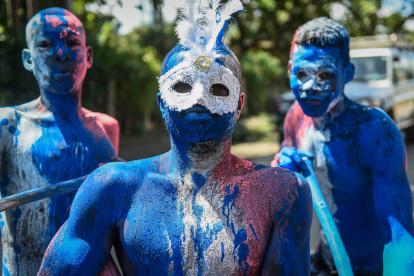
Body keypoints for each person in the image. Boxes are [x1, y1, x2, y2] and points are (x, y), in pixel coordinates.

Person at [38, 1, 312, 275]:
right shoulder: (114, 187)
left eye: (217, 88)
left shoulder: (280, 192)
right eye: (182, 86)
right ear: (161, 102)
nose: (199, 99)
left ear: (239, 105)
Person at [272, 17, 414, 274]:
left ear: (347, 73)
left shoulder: (373, 131)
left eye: (325, 75)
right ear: (290, 68)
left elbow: (399, 235)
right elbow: (286, 180)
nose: (309, 87)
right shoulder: (296, 117)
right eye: (300, 73)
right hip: (324, 263)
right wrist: (283, 171)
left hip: (373, 269)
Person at [0, 7, 119, 275]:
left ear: (88, 56)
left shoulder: (105, 129)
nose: (60, 53)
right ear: (28, 59)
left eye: (71, 42)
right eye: (45, 44)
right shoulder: (8, 126)